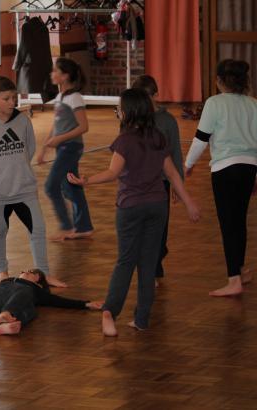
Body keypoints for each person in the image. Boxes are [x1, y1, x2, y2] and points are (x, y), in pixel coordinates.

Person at [68, 88, 200, 337]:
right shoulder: (158, 137)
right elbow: (171, 173)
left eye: (119, 107)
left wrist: (86, 180)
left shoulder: (124, 141)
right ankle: (141, 319)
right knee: (148, 264)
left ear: (127, 113)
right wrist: (189, 202)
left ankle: (110, 312)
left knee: (126, 261)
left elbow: (112, 173)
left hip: (130, 207)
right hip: (157, 206)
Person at [0, 76, 66, 287]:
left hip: (24, 189)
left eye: (14, 98)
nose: (11, 102)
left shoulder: (23, 120)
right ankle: (2, 271)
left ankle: (43, 273)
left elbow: (30, 148)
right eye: (5, 98)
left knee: (38, 229)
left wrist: (18, 170)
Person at [184, 59, 257, 297]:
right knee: (239, 221)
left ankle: (234, 280)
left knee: (228, 224)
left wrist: (188, 164)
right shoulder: (253, 104)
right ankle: (240, 270)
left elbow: (201, 138)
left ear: (219, 81)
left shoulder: (214, 103)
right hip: (248, 168)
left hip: (225, 169)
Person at [132, 75, 184, 286]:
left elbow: (176, 152)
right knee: (144, 228)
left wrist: (178, 184)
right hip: (139, 184)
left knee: (160, 228)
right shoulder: (133, 119)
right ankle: (150, 268)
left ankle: (157, 258)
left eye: (148, 97)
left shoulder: (167, 121)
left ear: (155, 95)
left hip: (162, 181)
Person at [0, 269, 102, 335]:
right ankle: (8, 315)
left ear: (38, 283)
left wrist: (86, 304)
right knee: (26, 294)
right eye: (25, 270)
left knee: (31, 311)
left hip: (2, 307)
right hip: (1, 299)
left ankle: (11, 324)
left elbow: (59, 301)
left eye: (32, 272)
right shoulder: (7, 283)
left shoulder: (36, 290)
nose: (25, 271)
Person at [37, 57, 94, 241]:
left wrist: (60, 139)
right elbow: (56, 126)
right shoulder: (60, 97)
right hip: (63, 148)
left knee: (51, 186)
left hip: (71, 147)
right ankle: (83, 227)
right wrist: (45, 148)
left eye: (56, 71)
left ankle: (66, 226)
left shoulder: (75, 98)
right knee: (71, 187)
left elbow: (83, 127)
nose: (51, 74)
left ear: (65, 76)